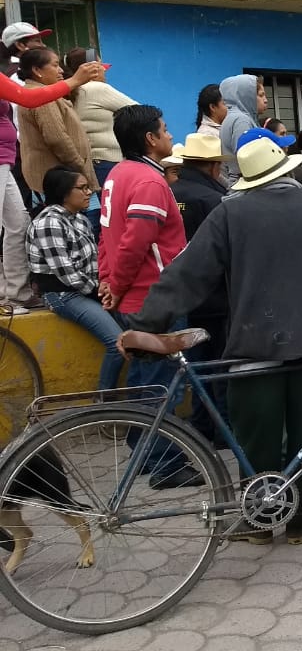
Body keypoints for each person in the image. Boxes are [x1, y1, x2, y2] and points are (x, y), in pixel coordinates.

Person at [124, 137, 302, 544]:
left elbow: (188, 274)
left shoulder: (230, 214)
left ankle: (258, 522)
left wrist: (146, 325)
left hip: (256, 343)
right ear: (288, 172)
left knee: (257, 435)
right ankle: (299, 521)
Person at [102, 104, 201, 489]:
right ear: (149, 139)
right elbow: (134, 243)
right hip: (154, 298)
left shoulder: (117, 174)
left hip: (134, 295)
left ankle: (143, 451)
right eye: (164, 129)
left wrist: (109, 281)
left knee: (145, 378)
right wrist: (118, 283)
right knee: (164, 383)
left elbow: (107, 236)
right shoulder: (149, 181)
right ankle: (166, 465)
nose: (170, 135)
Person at [0, 50, 102, 315]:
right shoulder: (37, 91)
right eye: (55, 65)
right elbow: (28, 98)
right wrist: (75, 80)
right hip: (8, 160)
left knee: (18, 224)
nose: (59, 69)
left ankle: (15, 295)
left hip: (5, 160)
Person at [26, 165, 123, 390]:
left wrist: (106, 286)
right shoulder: (49, 222)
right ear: (63, 192)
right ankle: (105, 405)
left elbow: (96, 259)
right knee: (116, 343)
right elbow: (67, 273)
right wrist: (100, 291)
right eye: (82, 188)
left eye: (88, 187)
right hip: (63, 294)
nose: (89, 192)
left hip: (87, 289)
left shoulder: (79, 219)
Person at [167, 133, 231, 444]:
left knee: (196, 366)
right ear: (213, 166)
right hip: (215, 295)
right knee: (219, 367)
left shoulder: (170, 192)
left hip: (182, 293)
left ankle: (201, 427)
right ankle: (222, 431)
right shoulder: (213, 199)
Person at [15, 48, 95, 201]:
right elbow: (57, 139)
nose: (60, 71)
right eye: (55, 65)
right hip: (64, 185)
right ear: (37, 70)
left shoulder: (39, 92)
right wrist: (80, 166)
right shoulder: (41, 97)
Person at [64, 48, 136, 188]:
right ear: (92, 68)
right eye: (100, 65)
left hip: (93, 162)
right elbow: (143, 113)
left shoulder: (74, 90)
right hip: (109, 161)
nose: (104, 69)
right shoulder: (95, 88)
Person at [218, 74, 267, 186]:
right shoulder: (241, 120)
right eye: (261, 95)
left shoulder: (233, 117)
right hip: (246, 184)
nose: (265, 100)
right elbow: (246, 159)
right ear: (247, 96)